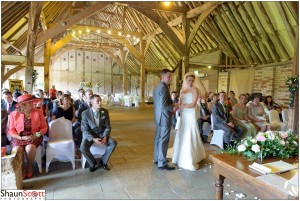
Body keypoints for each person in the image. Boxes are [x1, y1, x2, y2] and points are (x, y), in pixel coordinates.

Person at [8, 94, 48, 179]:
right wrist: (21, 138)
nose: (32, 104)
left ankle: (29, 167)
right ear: (22, 106)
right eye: (28, 103)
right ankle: (22, 167)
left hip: (34, 136)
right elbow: (11, 130)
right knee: (17, 150)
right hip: (19, 137)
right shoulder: (13, 114)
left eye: (31, 102)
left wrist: (35, 135)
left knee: (30, 148)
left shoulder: (38, 112)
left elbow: (44, 128)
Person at [172, 72, 206, 171]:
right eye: (188, 80)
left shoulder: (195, 90)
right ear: (185, 80)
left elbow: (193, 104)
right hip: (183, 114)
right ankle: (179, 155)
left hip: (190, 113)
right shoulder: (182, 90)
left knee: (190, 132)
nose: (190, 82)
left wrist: (182, 106)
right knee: (182, 132)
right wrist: (175, 108)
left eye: (192, 80)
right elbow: (180, 102)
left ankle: (191, 157)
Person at [80, 95, 117, 172]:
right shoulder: (85, 113)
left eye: (100, 100)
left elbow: (108, 126)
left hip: (101, 134)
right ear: (92, 103)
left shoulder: (104, 111)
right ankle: (92, 163)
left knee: (113, 143)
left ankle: (103, 161)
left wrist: (105, 136)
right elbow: (84, 129)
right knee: (83, 148)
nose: (100, 102)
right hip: (90, 134)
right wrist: (93, 139)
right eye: (98, 101)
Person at [153, 69, 177, 170]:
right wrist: (174, 107)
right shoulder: (164, 87)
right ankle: (162, 163)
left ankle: (157, 158)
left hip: (158, 116)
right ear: (162, 77)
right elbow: (163, 105)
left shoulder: (158, 86)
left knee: (158, 138)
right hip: (164, 117)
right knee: (164, 139)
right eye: (168, 77)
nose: (170, 78)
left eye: (171, 76)